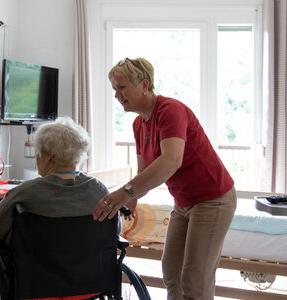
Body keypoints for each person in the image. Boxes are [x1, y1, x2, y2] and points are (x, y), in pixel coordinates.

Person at [92, 57, 237, 300]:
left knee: (194, 280)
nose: (117, 95)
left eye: (122, 87)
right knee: (172, 272)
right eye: (114, 89)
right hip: (183, 203)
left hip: (213, 199)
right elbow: (144, 174)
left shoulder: (170, 110)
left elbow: (171, 160)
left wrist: (126, 191)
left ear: (144, 85)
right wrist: (132, 197)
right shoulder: (139, 124)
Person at [0, 117, 111, 247]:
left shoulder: (23, 194)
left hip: (33, 269)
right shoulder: (99, 190)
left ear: (48, 157)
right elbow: (113, 230)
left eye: (38, 151)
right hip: (89, 269)